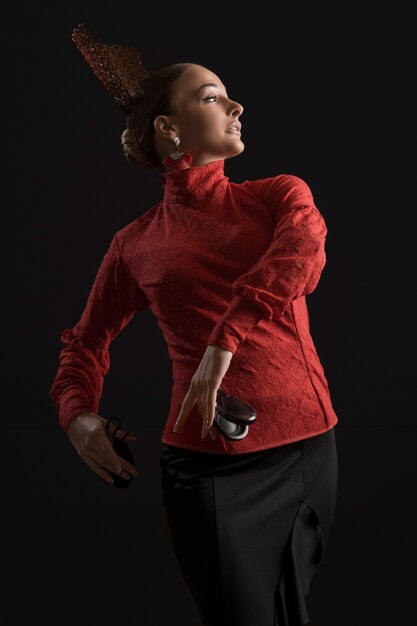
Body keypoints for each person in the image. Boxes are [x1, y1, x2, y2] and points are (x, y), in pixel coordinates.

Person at [49, 22, 339, 626]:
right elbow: (84, 346)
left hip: (309, 449)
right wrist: (77, 414)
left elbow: (303, 253)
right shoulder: (135, 244)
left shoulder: (278, 196)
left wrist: (222, 340)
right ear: (169, 128)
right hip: (208, 467)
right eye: (210, 96)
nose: (235, 105)